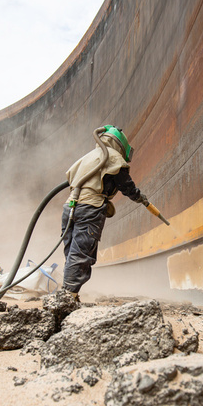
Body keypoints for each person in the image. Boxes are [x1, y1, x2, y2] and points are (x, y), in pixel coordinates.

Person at [60, 125, 147, 299]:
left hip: (70, 206)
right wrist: (139, 197)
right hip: (89, 208)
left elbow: (70, 178)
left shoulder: (89, 157)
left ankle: (68, 293)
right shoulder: (113, 157)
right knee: (81, 252)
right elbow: (125, 184)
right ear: (120, 146)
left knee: (71, 251)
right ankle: (68, 296)